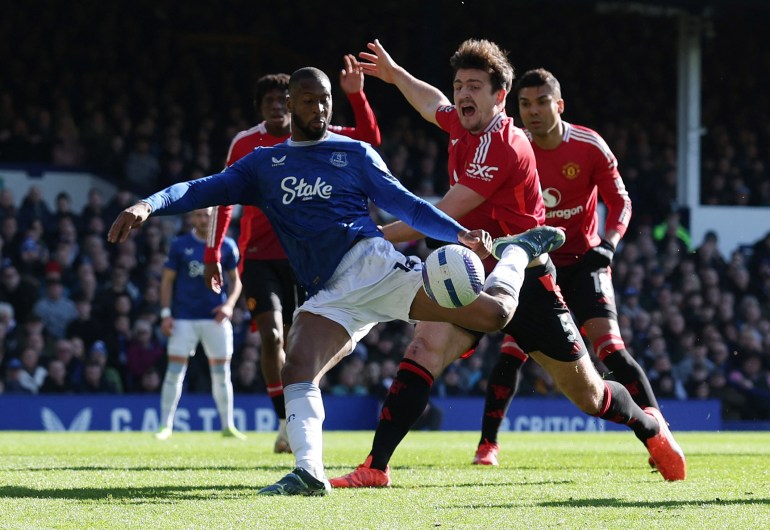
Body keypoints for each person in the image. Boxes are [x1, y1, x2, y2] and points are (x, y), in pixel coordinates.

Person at [107, 65, 563, 495]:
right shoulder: (263, 164)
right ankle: (308, 472)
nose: (319, 109)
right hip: (328, 292)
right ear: (290, 104)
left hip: (375, 267)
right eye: (308, 101)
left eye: (324, 100)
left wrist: (459, 233)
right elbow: (200, 188)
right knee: (297, 365)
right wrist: (148, 204)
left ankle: (519, 250)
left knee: (495, 312)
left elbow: (408, 206)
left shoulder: (354, 153)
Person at [329, 39, 685, 489]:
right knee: (422, 349)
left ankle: (650, 427)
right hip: (471, 272)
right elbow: (431, 103)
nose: (461, 95)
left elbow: (444, 210)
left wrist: (367, 238)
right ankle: (376, 467)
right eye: (459, 85)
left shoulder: (505, 143)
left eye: (474, 86)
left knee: (590, 394)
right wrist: (396, 73)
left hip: (527, 277)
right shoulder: (462, 124)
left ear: (499, 96)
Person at [469, 68, 668, 468]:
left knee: (611, 348)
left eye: (542, 102)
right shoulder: (514, 147)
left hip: (585, 263)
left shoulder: (589, 146)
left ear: (559, 105)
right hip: (536, 264)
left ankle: (658, 435)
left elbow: (620, 201)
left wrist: (608, 246)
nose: (533, 112)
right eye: (525, 104)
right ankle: (487, 445)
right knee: (511, 351)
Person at [203, 55, 382, 454]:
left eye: (281, 99)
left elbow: (369, 137)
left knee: (300, 342)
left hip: (310, 258)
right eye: (267, 100)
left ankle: (301, 415)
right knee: (271, 337)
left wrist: (356, 96)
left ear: (290, 101)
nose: (276, 106)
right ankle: (285, 420)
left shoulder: (317, 134)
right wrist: (213, 251)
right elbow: (222, 196)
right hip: (260, 258)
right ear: (261, 106)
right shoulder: (246, 143)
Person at [154, 208, 246, 441]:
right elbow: (167, 282)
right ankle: (165, 426)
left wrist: (229, 306)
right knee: (174, 372)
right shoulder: (179, 245)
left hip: (215, 318)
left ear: (214, 217)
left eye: (206, 215)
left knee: (221, 373)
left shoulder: (227, 245)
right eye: (197, 215)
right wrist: (166, 314)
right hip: (184, 317)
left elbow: (236, 282)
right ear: (191, 218)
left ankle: (228, 425)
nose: (202, 220)